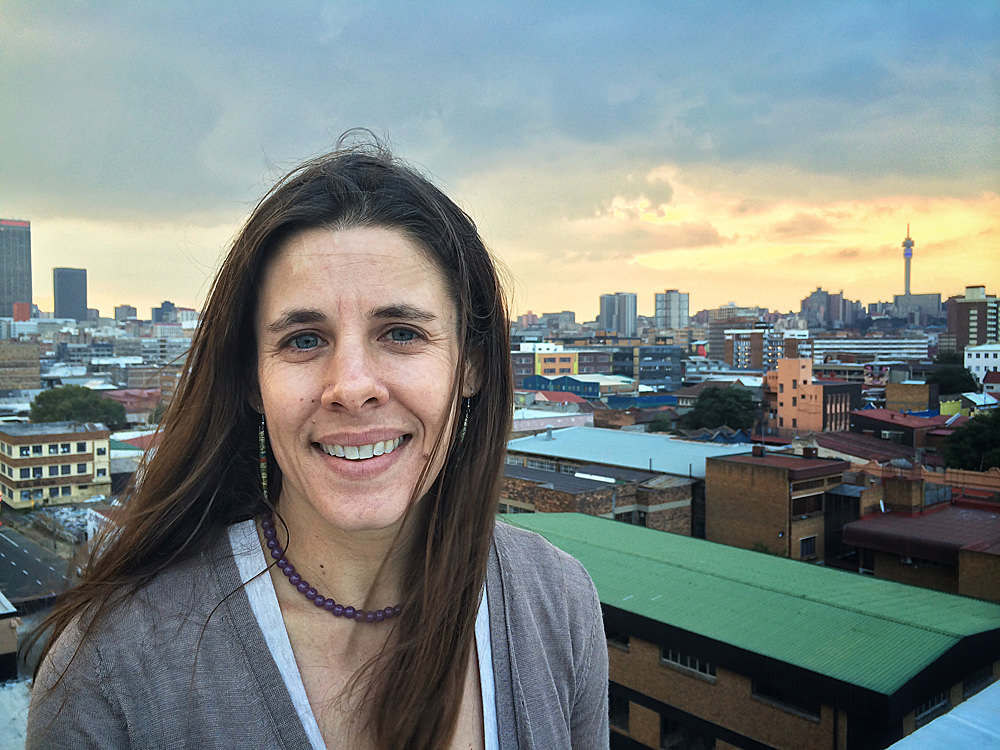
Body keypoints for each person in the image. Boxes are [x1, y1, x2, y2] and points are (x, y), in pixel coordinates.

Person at [26, 135, 609, 750]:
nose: (351, 387)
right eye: (304, 340)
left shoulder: (554, 604)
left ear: (470, 367)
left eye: (402, 332)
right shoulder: (116, 666)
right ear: (253, 379)